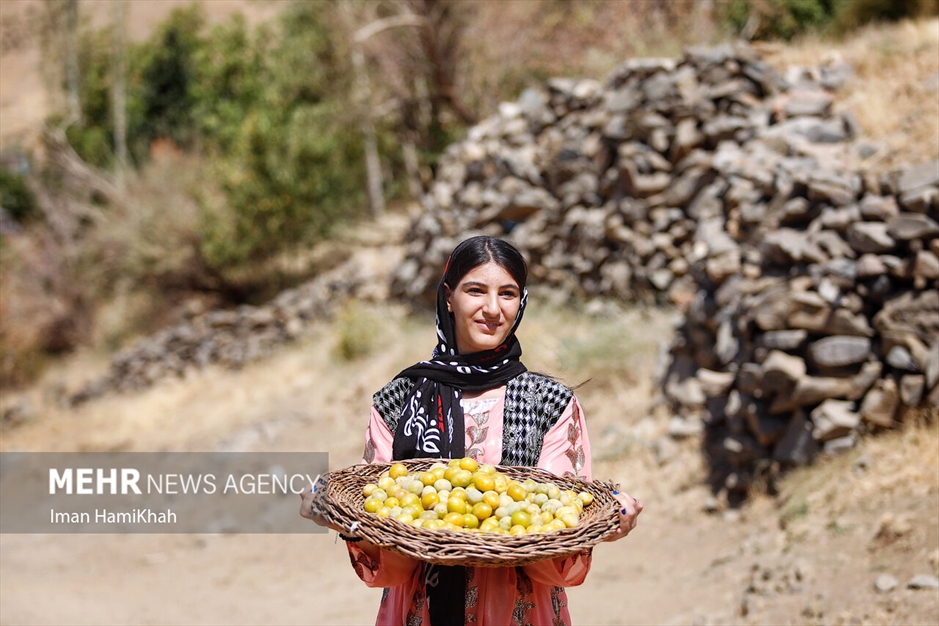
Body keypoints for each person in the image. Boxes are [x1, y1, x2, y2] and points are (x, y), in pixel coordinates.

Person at [301, 235, 642, 625]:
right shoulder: (398, 403)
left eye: (508, 293)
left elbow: (555, 558)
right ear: (448, 297)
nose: (493, 309)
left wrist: (599, 529)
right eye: (475, 290)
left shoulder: (549, 403)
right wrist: (348, 524)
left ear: (523, 301)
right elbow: (390, 562)